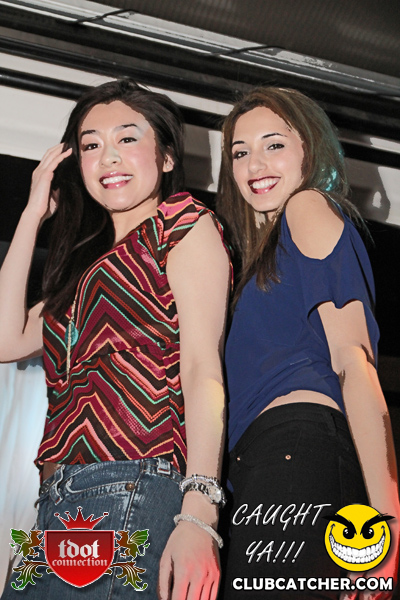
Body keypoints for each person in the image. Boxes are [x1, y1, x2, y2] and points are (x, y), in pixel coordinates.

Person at [0, 79, 230, 599]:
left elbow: (202, 366)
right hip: (56, 504)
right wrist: (32, 213)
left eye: (127, 138)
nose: (108, 156)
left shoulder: (180, 225)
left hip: (132, 481)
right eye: (91, 145)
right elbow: (6, 339)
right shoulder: (85, 270)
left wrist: (199, 508)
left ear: (166, 157)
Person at [216, 87, 399, 599]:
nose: (254, 164)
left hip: (295, 448)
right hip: (260, 465)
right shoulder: (257, 263)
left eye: (274, 144)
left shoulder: (307, 206)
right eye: (240, 152)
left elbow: (354, 362)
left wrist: (385, 520)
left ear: (310, 149)